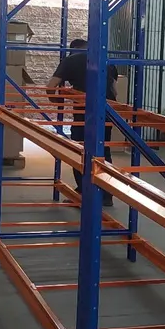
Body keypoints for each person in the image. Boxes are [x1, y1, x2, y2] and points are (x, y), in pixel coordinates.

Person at [46, 38, 118, 206]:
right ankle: (106, 195)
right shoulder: (105, 58)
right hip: (107, 111)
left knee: (80, 150)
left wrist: (57, 101)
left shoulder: (70, 60)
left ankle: (83, 193)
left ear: (73, 49)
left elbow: (51, 86)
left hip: (84, 112)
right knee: (103, 151)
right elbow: (114, 90)